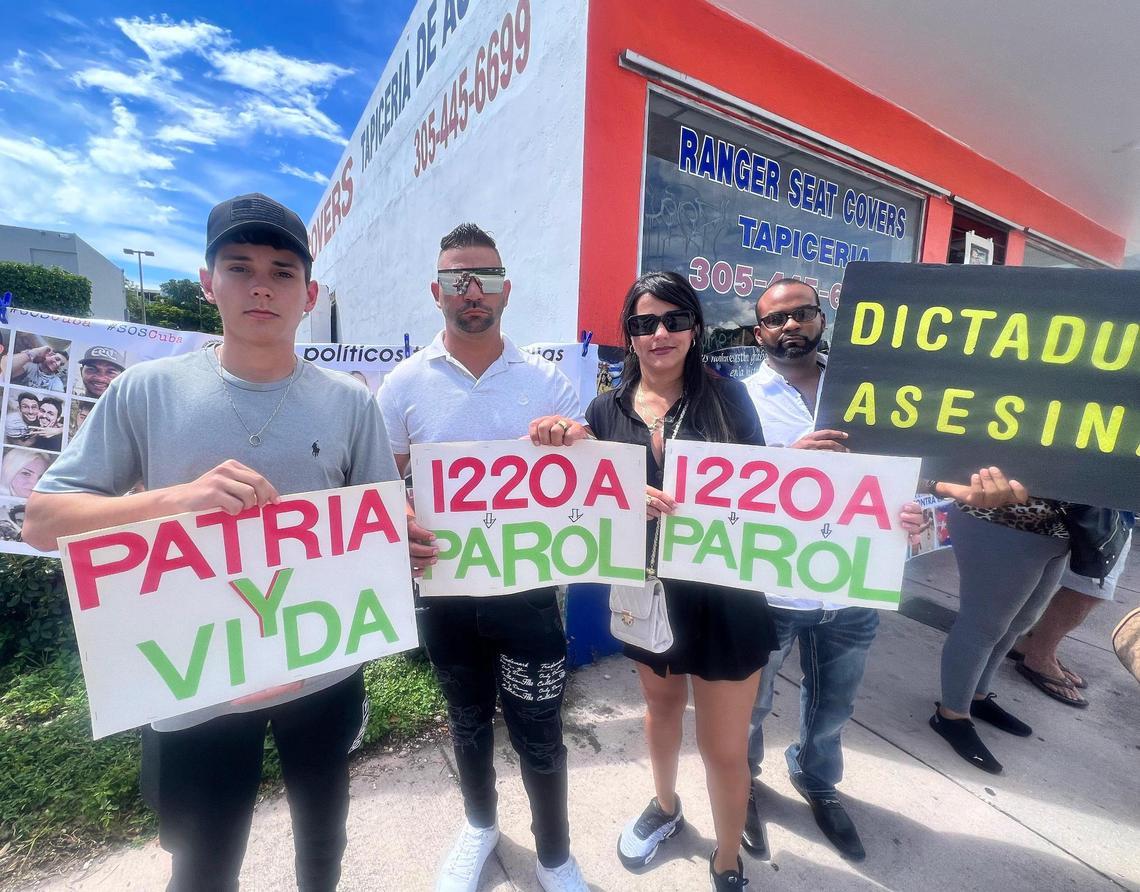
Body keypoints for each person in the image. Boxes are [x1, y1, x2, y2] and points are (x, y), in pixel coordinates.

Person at [23, 192, 421, 892]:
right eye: (239, 267)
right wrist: (176, 501)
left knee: (324, 843)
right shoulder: (145, 393)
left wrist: (404, 547)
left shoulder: (351, 403)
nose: (261, 284)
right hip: (193, 685)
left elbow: (379, 526)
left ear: (310, 293)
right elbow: (43, 520)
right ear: (208, 283)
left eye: (282, 271)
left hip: (322, 673)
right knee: (202, 867)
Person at [377, 223, 589, 892]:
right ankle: (479, 826)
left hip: (529, 597)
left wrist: (571, 440)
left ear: (507, 288)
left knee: (540, 730)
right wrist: (402, 513)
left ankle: (554, 855)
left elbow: (583, 480)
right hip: (446, 592)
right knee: (466, 722)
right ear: (436, 291)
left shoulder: (549, 381)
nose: (472, 292)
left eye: (485, 278)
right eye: (458, 280)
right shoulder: (404, 384)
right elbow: (385, 478)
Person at [578, 270, 775, 890]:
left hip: (726, 598)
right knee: (660, 710)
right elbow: (579, 499)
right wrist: (611, 491)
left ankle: (726, 856)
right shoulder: (602, 411)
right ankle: (665, 808)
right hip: (646, 591)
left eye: (673, 320)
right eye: (643, 323)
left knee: (723, 746)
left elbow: (766, 495)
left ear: (694, 327)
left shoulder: (730, 400)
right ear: (629, 336)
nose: (658, 333)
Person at [741, 280, 936, 862]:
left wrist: (918, 514)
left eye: (802, 314)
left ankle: (816, 780)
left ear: (822, 320)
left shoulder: (872, 395)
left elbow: (915, 475)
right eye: (777, 320)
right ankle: (740, 783)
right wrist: (785, 466)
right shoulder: (737, 399)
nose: (790, 326)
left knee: (834, 706)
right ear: (759, 333)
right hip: (769, 589)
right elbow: (718, 491)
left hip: (852, 587)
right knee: (750, 703)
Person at [1009, 518, 1133, 706]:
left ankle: (1033, 645)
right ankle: (1040, 654)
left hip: (1109, 512)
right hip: (1106, 511)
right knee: (1090, 587)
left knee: (1090, 585)